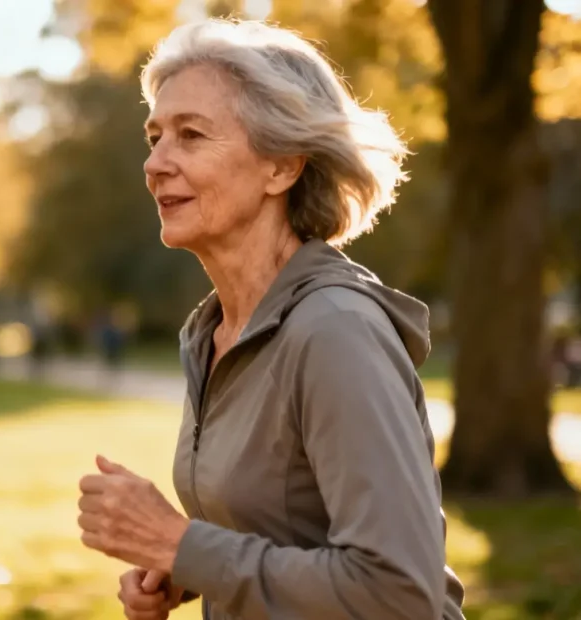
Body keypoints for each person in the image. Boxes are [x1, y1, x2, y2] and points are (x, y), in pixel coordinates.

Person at [76, 19, 466, 620]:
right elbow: (290, 527)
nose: (155, 163)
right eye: (155, 136)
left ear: (281, 166)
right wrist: (185, 569)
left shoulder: (336, 331)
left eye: (191, 135)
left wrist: (180, 544)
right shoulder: (216, 332)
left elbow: (399, 592)